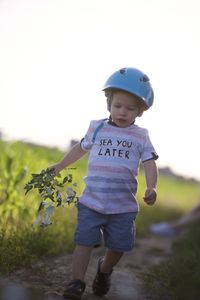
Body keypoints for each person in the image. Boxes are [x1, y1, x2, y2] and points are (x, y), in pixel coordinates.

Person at [51, 67, 159, 299]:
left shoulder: (141, 136)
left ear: (140, 111)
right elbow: (80, 148)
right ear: (108, 103)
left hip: (123, 206)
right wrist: (59, 166)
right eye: (118, 105)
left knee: (119, 246)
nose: (122, 112)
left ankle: (104, 269)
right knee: (84, 242)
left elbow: (150, 162)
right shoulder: (97, 127)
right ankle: (76, 282)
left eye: (130, 108)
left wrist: (152, 187)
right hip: (92, 200)